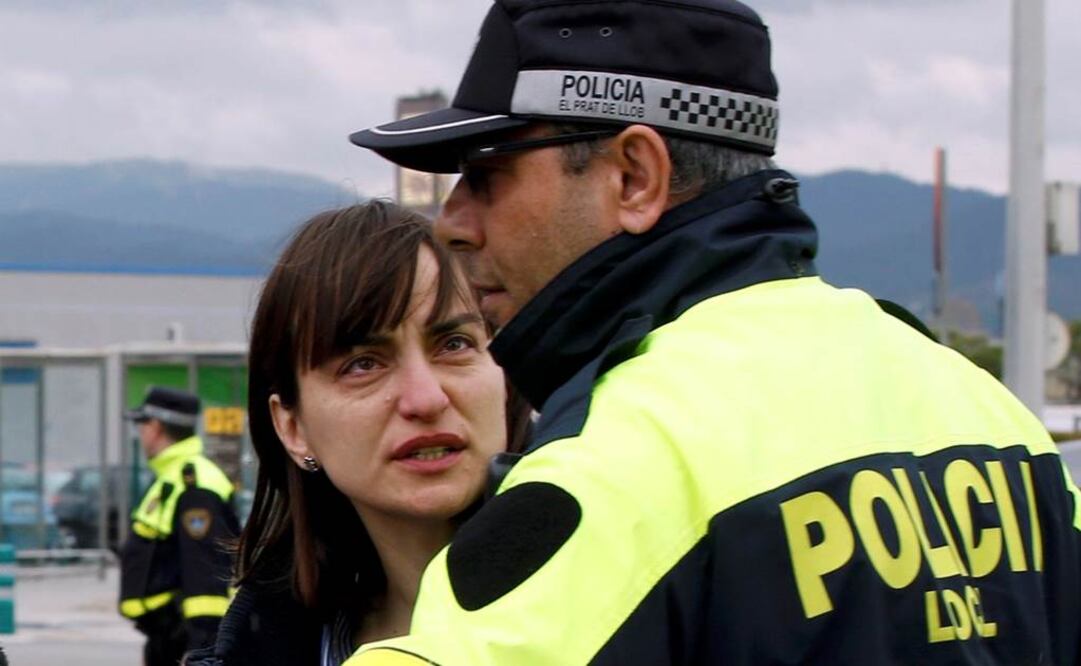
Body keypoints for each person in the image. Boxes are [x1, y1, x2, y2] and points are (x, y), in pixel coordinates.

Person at [346, 1, 1081, 663]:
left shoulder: (627, 455)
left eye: (486, 174)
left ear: (634, 177)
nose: (453, 223)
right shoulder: (982, 410)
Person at [185, 201, 526, 666]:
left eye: (453, 344)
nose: (425, 398)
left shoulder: (629, 604)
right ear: (292, 427)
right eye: (362, 364)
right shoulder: (275, 645)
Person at [119, 386, 239, 666]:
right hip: (166, 636)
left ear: (156, 427)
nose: (140, 433)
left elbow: (205, 573)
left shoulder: (193, 484)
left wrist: (201, 650)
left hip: (183, 638)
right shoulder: (172, 478)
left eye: (142, 424)